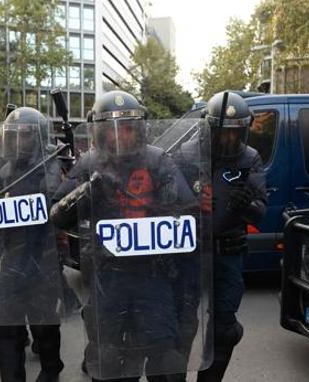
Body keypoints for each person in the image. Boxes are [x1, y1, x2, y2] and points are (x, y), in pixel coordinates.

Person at [50, 90, 199, 382]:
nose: (121, 137)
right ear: (100, 133)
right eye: (112, 130)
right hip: (108, 276)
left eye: (128, 128)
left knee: (164, 357)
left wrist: (168, 211)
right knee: (110, 357)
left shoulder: (159, 162)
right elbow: (58, 215)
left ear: (140, 130)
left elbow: (188, 215)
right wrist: (87, 190)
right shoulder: (90, 164)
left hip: (152, 274)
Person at [174, 91, 267, 382]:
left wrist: (247, 204)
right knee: (181, 324)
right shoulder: (186, 153)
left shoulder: (250, 157)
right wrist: (189, 205)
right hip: (190, 253)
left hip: (228, 253)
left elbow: (260, 212)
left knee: (225, 329)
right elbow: (166, 202)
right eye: (223, 133)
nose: (229, 140)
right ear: (209, 128)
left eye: (236, 133)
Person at [0, 107, 66, 382]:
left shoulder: (50, 164)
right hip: (12, 256)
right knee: (7, 325)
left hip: (42, 257)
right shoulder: (7, 168)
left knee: (43, 322)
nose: (16, 143)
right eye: (12, 136)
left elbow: (51, 199)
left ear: (37, 137)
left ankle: (51, 369)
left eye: (24, 136)